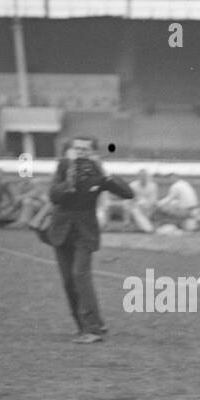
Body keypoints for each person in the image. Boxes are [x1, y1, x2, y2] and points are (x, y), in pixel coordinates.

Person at [45, 135, 135, 342]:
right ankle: (83, 326)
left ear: (94, 152)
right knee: (69, 281)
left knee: (80, 275)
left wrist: (104, 172)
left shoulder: (98, 173)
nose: (81, 152)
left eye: (86, 149)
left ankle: (93, 329)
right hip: (61, 231)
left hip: (85, 233)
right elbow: (53, 196)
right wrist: (69, 180)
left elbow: (128, 193)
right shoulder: (64, 166)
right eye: (77, 149)